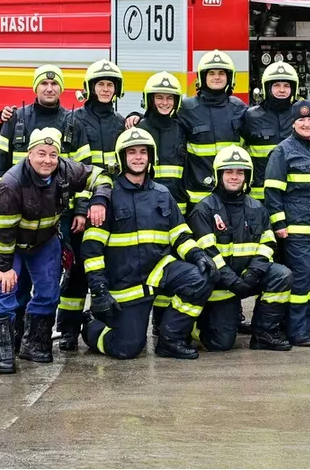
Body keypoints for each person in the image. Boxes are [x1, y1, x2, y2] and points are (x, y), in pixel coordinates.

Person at [81, 128, 218, 360]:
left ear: (150, 156)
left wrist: (197, 255)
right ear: (122, 157)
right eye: (132, 152)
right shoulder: (108, 197)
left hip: (159, 270)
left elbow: (179, 234)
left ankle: (170, 340)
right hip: (126, 281)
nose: (138, 157)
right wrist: (99, 291)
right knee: (127, 349)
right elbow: (91, 249)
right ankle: (90, 326)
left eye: (143, 152)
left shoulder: (163, 193)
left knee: (200, 277)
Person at [0, 129, 110, 373]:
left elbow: (100, 176)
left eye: (53, 155)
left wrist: (99, 200)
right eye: (41, 153)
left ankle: (35, 344)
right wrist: (5, 267)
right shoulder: (11, 185)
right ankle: (5, 353)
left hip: (44, 241)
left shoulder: (65, 170)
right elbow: (3, 232)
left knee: (49, 293)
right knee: (4, 294)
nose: (47, 160)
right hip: (8, 243)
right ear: (29, 154)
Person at [0, 64, 89, 351]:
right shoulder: (15, 119)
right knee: (17, 281)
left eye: (55, 84)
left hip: (58, 216)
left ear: (62, 88)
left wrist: (81, 209)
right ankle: (17, 338)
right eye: (44, 84)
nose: (49, 88)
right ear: (35, 88)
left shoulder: (72, 123)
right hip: (17, 214)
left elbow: (83, 170)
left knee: (53, 278)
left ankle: (39, 341)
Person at [188, 146, 293, 352]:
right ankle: (197, 325)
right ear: (218, 174)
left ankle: (264, 333)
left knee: (282, 275)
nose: (234, 177)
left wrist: (254, 272)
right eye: (229, 172)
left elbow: (268, 242)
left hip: (248, 276)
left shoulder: (257, 207)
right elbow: (208, 252)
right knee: (220, 344)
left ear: (247, 177)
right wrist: (232, 281)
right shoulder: (204, 209)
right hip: (220, 285)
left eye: (240, 172)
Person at [57, 60, 128, 351]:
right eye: (100, 84)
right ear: (90, 88)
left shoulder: (122, 123)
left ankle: (102, 321)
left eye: (110, 85)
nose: (105, 89)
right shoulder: (74, 121)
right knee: (75, 274)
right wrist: (80, 210)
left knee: (107, 268)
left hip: (112, 206)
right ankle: (68, 331)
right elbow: (70, 171)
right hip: (81, 211)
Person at [263, 100, 310, 346]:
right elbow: (272, 191)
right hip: (296, 231)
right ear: (293, 123)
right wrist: (279, 224)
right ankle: (296, 330)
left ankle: (307, 326)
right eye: (301, 120)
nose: (307, 123)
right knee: (302, 279)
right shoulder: (283, 151)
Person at [178, 50, 248, 206]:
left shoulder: (239, 108)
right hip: (197, 197)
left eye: (221, 73)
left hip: (230, 195)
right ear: (203, 77)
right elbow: (162, 119)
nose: (217, 77)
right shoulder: (186, 108)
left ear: (229, 78)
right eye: (212, 73)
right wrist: (137, 116)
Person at [243, 61, 299, 203]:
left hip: (293, 194)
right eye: (276, 85)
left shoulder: (300, 116)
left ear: (294, 89)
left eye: (286, 86)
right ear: (267, 88)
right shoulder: (251, 116)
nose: (282, 90)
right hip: (259, 196)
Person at [137, 72, 188, 212]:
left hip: (178, 206)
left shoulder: (182, 130)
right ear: (150, 99)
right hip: (146, 204)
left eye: (169, 98)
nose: (165, 103)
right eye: (159, 97)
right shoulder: (139, 130)